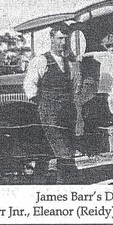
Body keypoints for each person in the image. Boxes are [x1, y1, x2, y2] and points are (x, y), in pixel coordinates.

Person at [23, 22, 80, 184]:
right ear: (51, 38)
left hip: (68, 111)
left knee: (59, 146)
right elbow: (30, 85)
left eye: (66, 39)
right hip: (49, 111)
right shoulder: (41, 61)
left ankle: (39, 179)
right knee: (63, 149)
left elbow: (75, 86)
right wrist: (43, 103)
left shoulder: (70, 63)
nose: (63, 42)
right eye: (60, 38)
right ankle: (64, 184)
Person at [81, 33, 113, 116]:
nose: (111, 49)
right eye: (109, 46)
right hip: (108, 83)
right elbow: (93, 54)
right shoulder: (105, 55)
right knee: (110, 99)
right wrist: (82, 55)